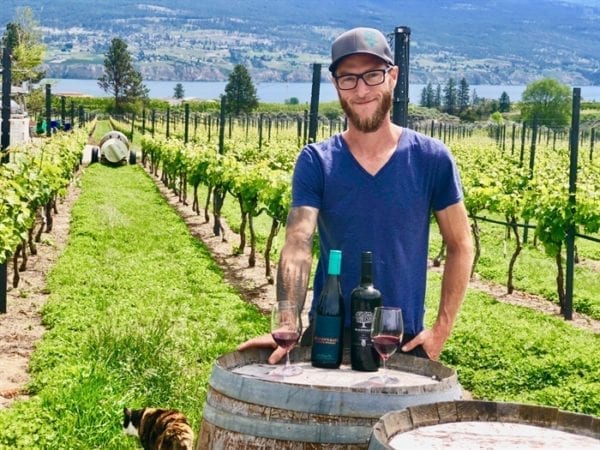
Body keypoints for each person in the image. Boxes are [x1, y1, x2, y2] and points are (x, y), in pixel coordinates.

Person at [238, 27, 473, 364]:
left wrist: (440, 332)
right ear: (336, 86)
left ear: (393, 77)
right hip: (330, 337)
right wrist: (287, 323)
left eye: (373, 76)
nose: (361, 90)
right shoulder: (316, 161)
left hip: (400, 343)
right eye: (349, 79)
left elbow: (461, 244)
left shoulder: (431, 159)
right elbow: (298, 242)